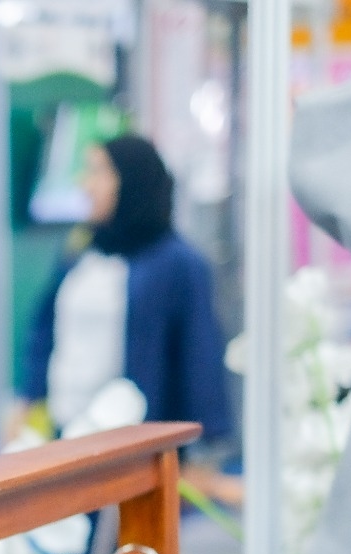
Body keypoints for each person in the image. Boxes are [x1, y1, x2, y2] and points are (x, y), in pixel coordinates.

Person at [22, 134, 231, 447]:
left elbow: (199, 357)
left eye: (98, 172)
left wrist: (207, 442)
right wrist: (28, 397)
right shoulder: (82, 250)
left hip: (131, 446)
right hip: (65, 433)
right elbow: (45, 327)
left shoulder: (177, 262)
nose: (86, 185)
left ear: (131, 181)